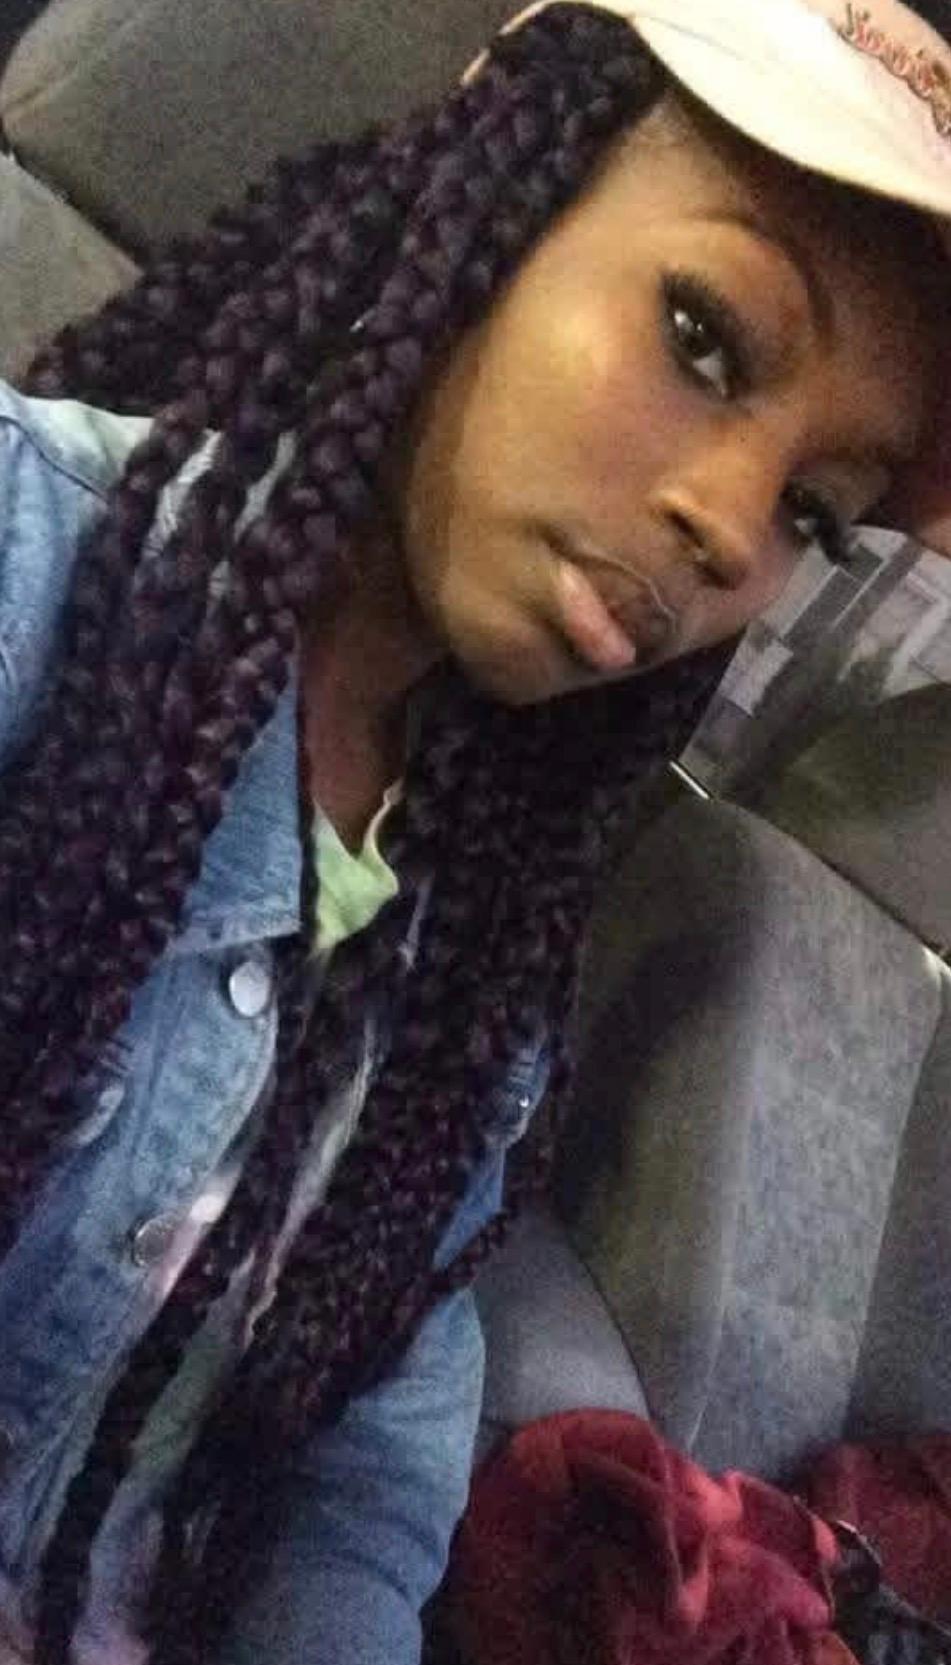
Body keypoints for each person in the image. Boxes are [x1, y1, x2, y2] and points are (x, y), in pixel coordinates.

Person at [0, 1, 949, 1661]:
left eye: (816, 510)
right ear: (491, 202)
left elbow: (374, 1432)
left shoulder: (472, 932)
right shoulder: (32, 568)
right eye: (704, 338)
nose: (731, 528)